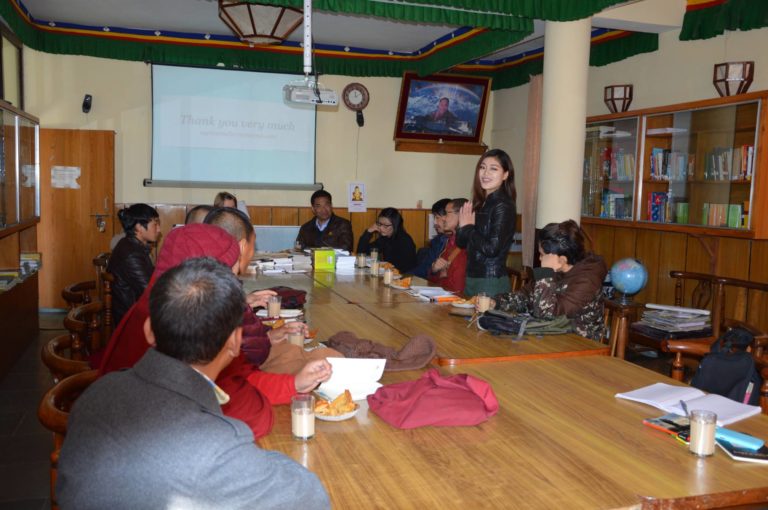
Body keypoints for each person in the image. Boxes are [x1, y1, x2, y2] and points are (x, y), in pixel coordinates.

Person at [58, 257, 330, 509]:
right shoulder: (215, 447)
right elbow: (311, 496)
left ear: (149, 331)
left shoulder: (96, 393)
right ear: (235, 342)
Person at [98, 223, 331, 438]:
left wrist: (294, 384)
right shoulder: (195, 324)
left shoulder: (150, 307)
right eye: (228, 270)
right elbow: (248, 412)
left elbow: (237, 378)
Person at [491, 220, 607, 340]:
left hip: (580, 345)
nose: (540, 259)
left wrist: (545, 272)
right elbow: (525, 297)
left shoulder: (587, 281)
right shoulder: (558, 270)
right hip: (552, 337)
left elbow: (547, 316)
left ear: (562, 260)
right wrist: (496, 302)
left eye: (542, 255)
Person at [457, 149, 517, 296]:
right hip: (472, 276)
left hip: (490, 279)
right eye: (482, 167)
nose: (485, 173)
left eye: (493, 169)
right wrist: (463, 228)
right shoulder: (480, 202)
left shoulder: (503, 205)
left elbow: (492, 249)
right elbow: (461, 243)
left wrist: (468, 228)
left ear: (505, 174)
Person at [108, 203, 160, 327]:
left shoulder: (130, 245)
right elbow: (150, 292)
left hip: (132, 310)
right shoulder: (131, 254)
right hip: (130, 318)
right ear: (139, 227)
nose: (159, 229)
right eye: (155, 224)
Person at [357, 207, 417, 273]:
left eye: (385, 225)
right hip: (389, 274)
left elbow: (406, 268)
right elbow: (361, 253)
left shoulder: (405, 240)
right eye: (379, 224)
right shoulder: (385, 238)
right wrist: (369, 231)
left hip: (403, 275)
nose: (381, 228)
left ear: (395, 225)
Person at [427, 198, 467, 294]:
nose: (444, 218)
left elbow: (457, 288)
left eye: (447, 213)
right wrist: (434, 270)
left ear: (461, 215)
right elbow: (431, 279)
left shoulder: (467, 244)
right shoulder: (450, 241)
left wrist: (442, 275)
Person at [411, 198, 450, 278]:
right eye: (434, 218)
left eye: (437, 217)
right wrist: (404, 276)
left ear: (448, 217)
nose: (435, 223)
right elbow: (424, 268)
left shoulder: (459, 243)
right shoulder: (437, 241)